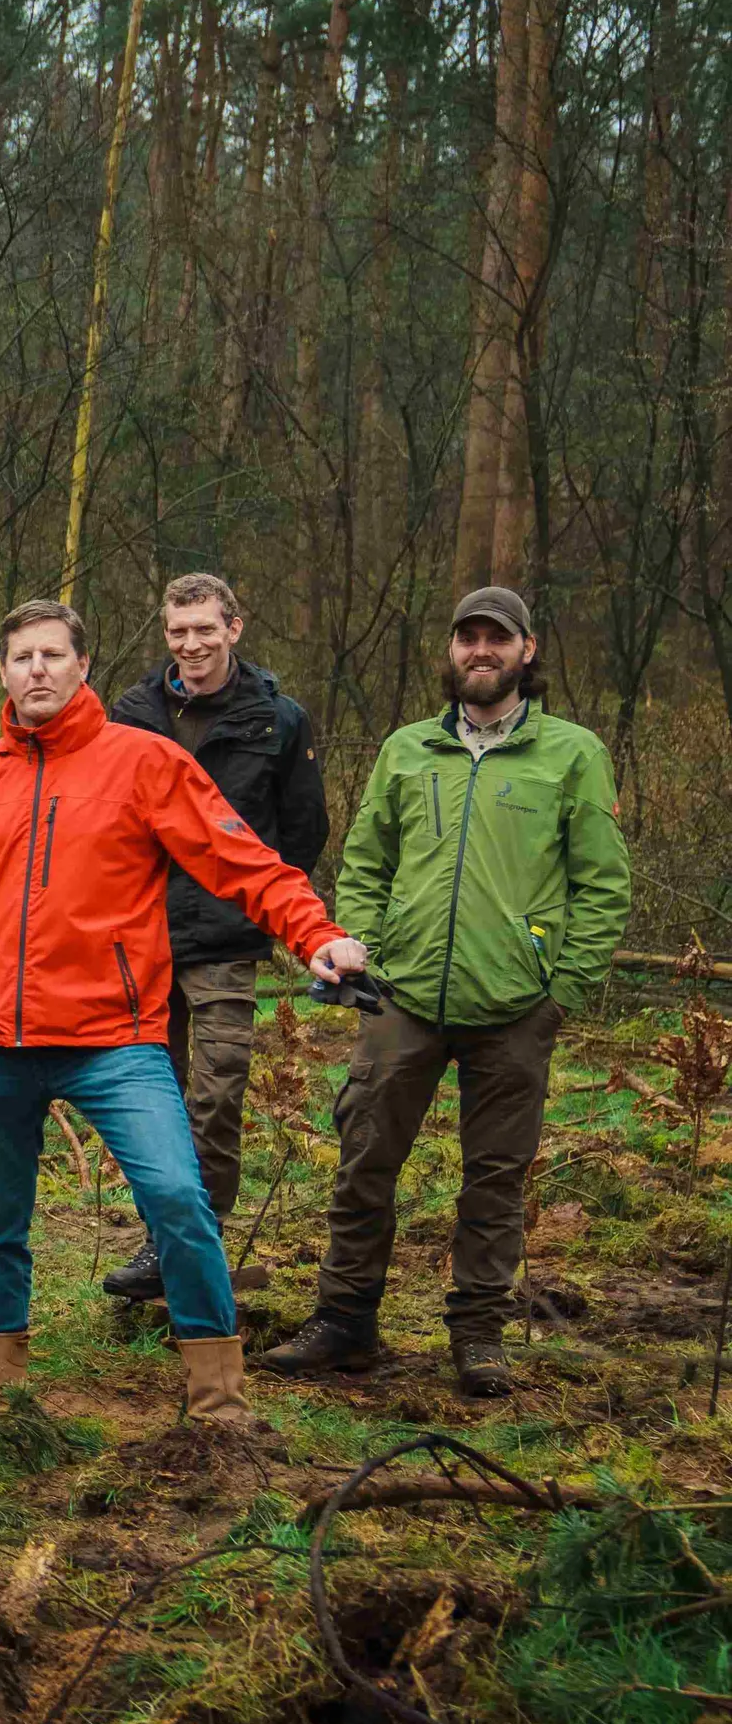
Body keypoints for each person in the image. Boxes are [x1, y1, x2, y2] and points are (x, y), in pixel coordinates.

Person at [0, 603, 369, 1430]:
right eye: (20, 657)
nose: (36, 669)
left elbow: (243, 858)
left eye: (51, 655)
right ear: (1, 674)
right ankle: (0, 1400)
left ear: (82, 665)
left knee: (179, 1198)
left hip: (114, 1039)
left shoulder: (143, 762)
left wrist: (316, 934)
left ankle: (217, 1399)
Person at [272, 586, 631, 1395]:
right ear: (452, 649)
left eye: (496, 640)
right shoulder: (406, 750)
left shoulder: (572, 753)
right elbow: (367, 859)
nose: (480, 651)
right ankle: (344, 1322)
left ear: (526, 651)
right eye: (467, 637)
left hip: (515, 1007)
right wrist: (359, 946)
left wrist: (560, 990)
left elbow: (602, 886)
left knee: (495, 1177)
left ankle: (478, 1334)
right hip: (400, 997)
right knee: (365, 1161)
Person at [100, 576, 329, 1303]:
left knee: (217, 1090)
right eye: (178, 632)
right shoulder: (131, 713)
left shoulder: (279, 719)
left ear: (235, 626)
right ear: (164, 635)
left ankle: (201, 1233)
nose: (192, 644)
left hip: (229, 935)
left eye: (205, 629)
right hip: (141, 931)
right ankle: (158, 1239)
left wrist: (269, 907)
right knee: (149, 1094)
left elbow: (301, 830)